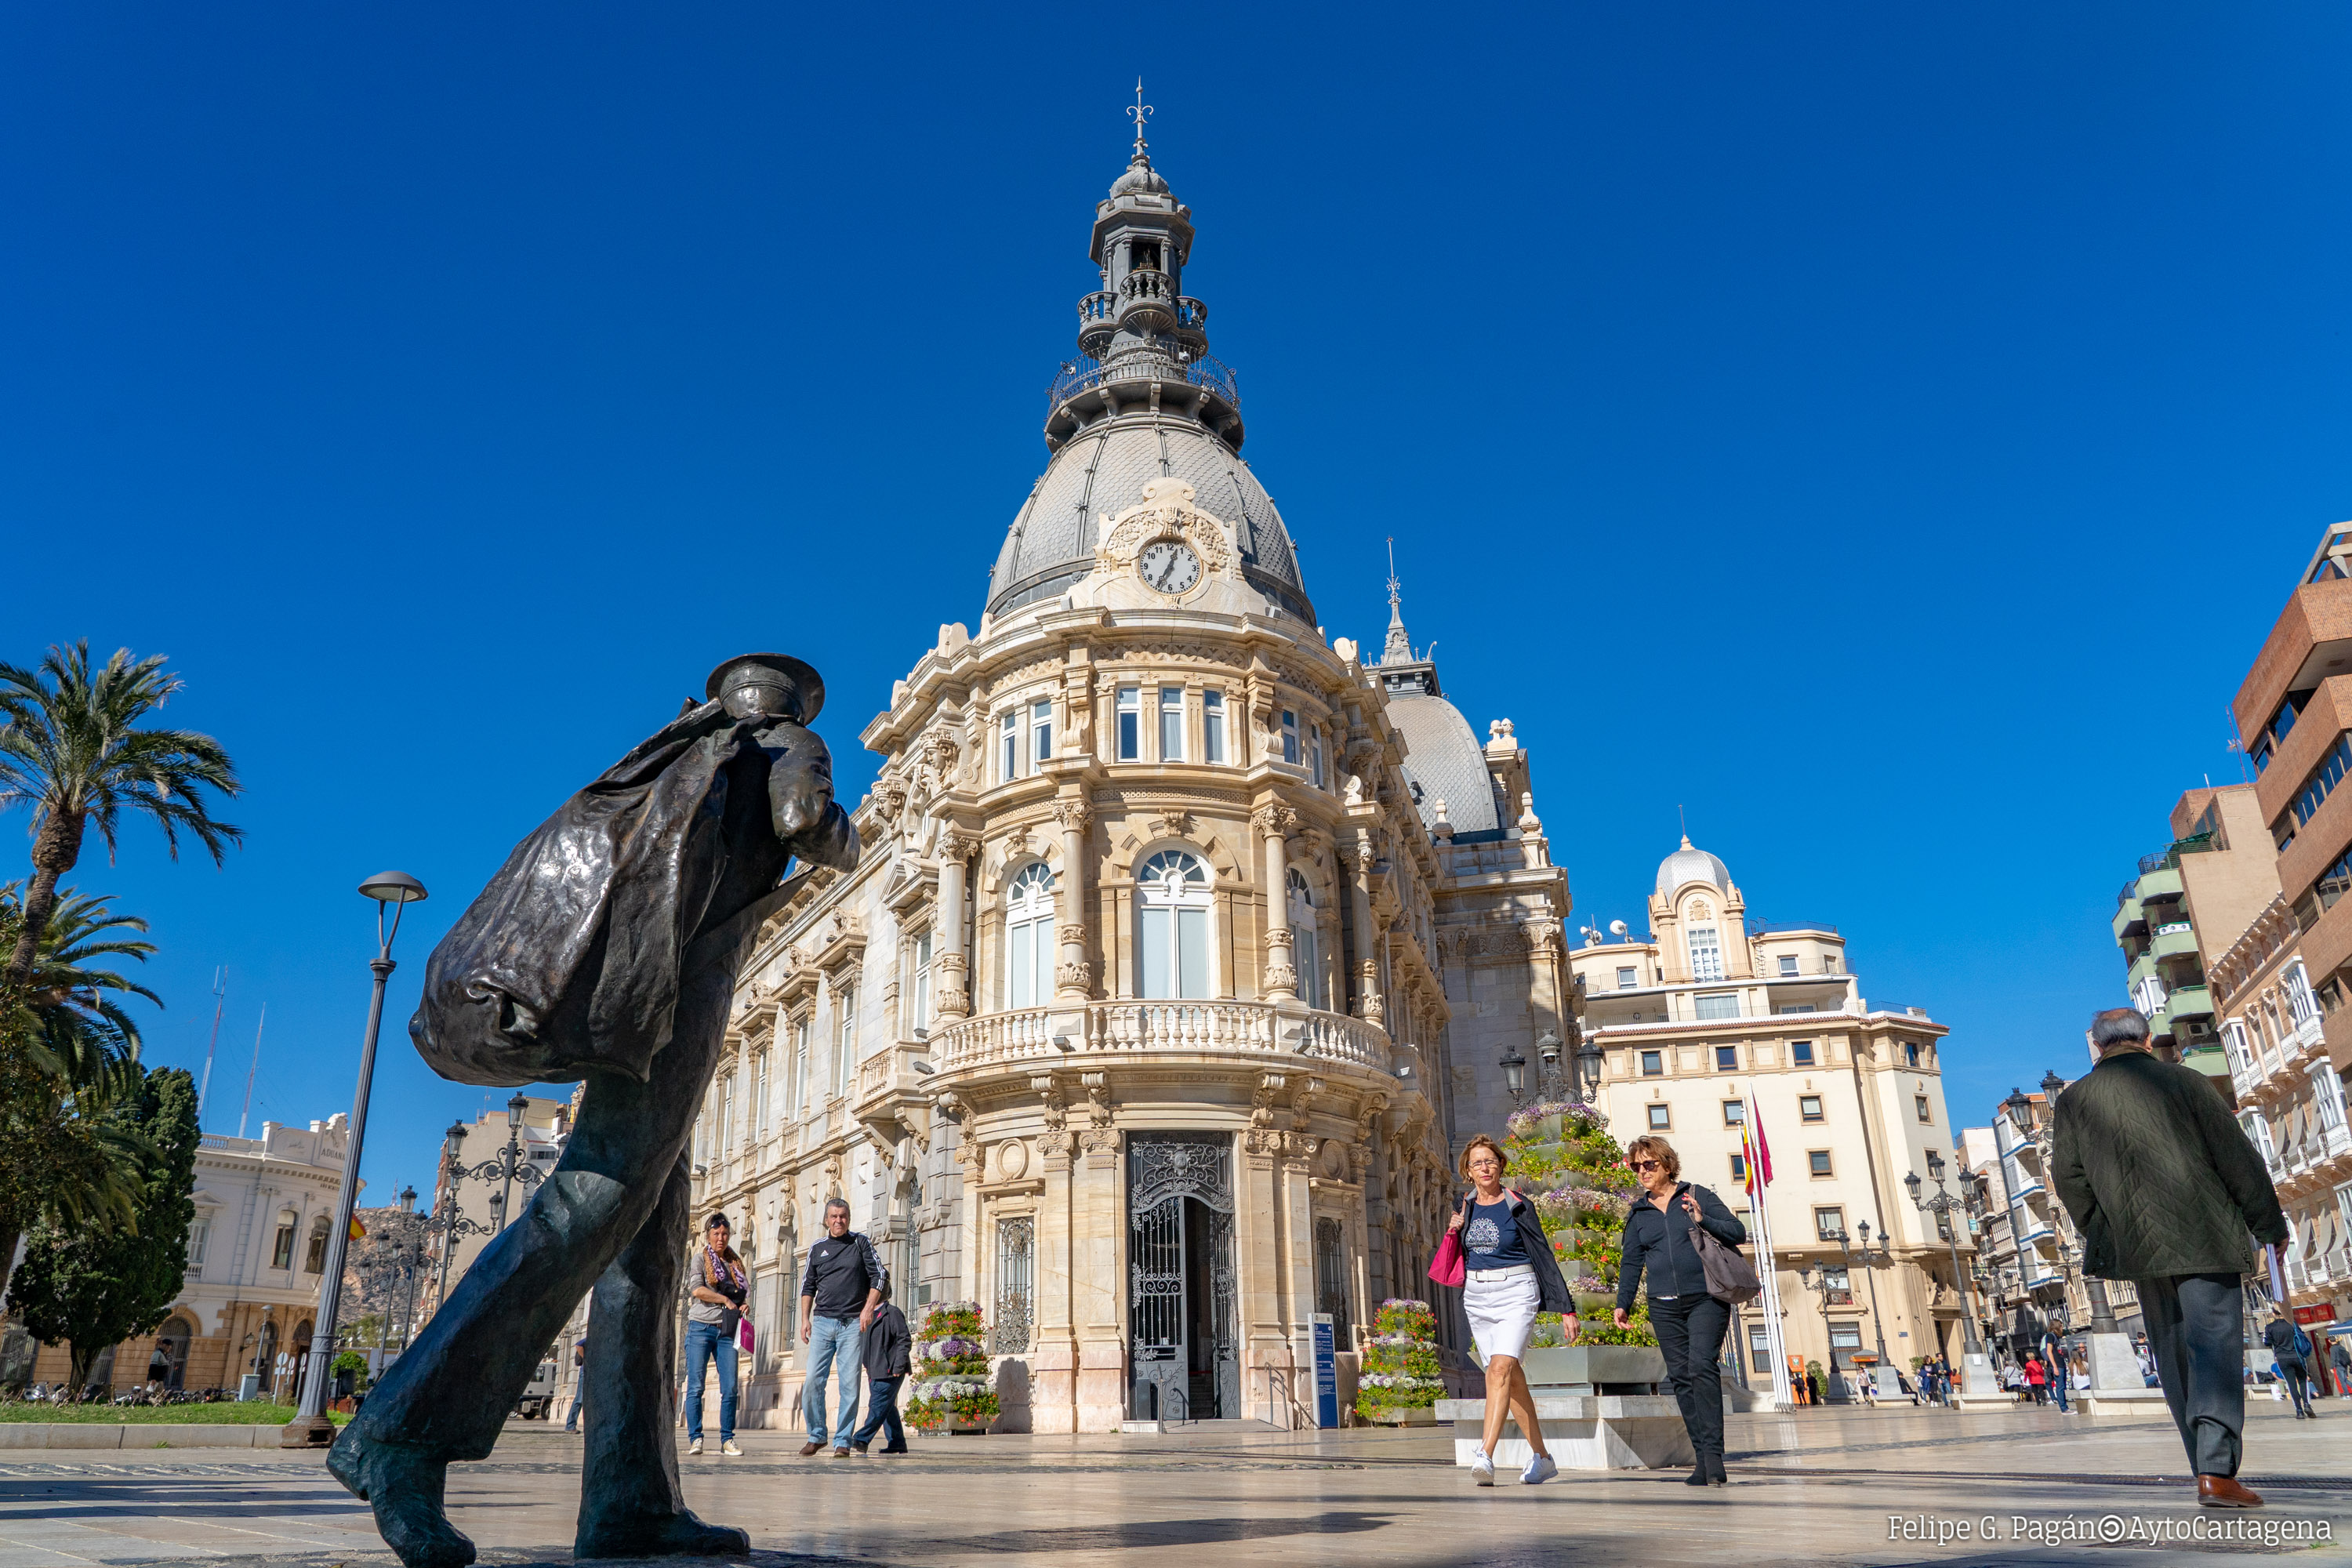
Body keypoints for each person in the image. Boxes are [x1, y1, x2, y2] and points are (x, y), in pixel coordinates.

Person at [326, 654, 858, 1568]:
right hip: (678, 1003)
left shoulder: (670, 758)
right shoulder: (785, 746)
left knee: (646, 1250)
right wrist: (849, 832)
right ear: (795, 702)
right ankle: (397, 1430)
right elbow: (805, 822)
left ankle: (630, 1494)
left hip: (630, 1002)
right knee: (591, 1205)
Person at [2053, 1006, 2288, 1511]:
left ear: (2098, 1046)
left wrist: (2104, 1228)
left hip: (2138, 1247)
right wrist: (2268, 1225)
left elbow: (2070, 1178)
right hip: (2205, 1233)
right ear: (2146, 1039)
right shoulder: (2185, 1081)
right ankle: (2217, 1472)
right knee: (2215, 1351)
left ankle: (2205, 1470)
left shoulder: (2073, 1101)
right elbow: (2236, 1155)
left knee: (2173, 1355)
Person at [1614, 1134, 1746, 1486]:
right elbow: (1631, 1262)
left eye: (1649, 1164)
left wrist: (1704, 1220)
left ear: (1667, 1164)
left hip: (1706, 1297)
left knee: (1701, 1366)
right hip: (1663, 1306)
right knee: (1682, 1379)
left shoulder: (1696, 1195)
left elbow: (1738, 1231)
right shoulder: (1639, 1212)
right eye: (1636, 1165)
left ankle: (1715, 1457)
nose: (1642, 1171)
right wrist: (1622, 1304)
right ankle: (1702, 1459)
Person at [1447, 1133, 1576, 1486]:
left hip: (1517, 1290)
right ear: (1468, 1172)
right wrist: (1454, 1231)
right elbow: (1463, 1254)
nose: (1484, 1167)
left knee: (1499, 1370)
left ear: (1501, 1165)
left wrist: (1566, 1307)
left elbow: (1542, 1254)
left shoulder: (1518, 1204)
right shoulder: (1467, 1206)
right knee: (1510, 1378)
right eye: (1477, 1163)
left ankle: (1485, 1454)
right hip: (1477, 1295)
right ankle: (1543, 1458)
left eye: (1490, 1160)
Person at [799, 1197, 885, 1457]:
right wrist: (805, 1319)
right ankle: (816, 1435)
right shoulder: (817, 1248)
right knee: (813, 1379)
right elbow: (807, 1286)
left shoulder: (860, 1243)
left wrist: (868, 1308)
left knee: (850, 1383)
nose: (839, 1221)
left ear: (849, 1218)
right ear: (826, 1220)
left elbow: (879, 1275)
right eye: (834, 1217)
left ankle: (843, 1441)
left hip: (852, 1325)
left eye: (843, 1216)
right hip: (823, 1323)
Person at [684, 1214, 748, 1457]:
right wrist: (723, 1299)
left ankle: (727, 1439)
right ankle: (696, 1438)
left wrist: (741, 1305)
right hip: (701, 1327)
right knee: (696, 1387)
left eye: (724, 1234)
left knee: (730, 1387)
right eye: (716, 1234)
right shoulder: (700, 1260)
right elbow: (697, 1290)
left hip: (727, 1331)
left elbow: (740, 1294)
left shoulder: (735, 1264)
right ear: (708, 1236)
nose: (720, 1238)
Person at [851, 1281, 911, 1455]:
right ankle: (897, 1442)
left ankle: (861, 1439)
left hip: (890, 1371)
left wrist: (898, 1366)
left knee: (877, 1407)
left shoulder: (892, 1313)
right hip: (874, 1371)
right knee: (887, 1408)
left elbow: (904, 1340)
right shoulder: (868, 1314)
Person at [2263, 1313, 2315, 1419]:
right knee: (2302, 1381)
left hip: (2282, 1358)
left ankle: (2299, 1411)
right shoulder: (2293, 1324)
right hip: (2298, 1356)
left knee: (2291, 1384)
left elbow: (2267, 1342)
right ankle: (2307, 1405)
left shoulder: (2270, 1327)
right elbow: (2301, 1336)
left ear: (2273, 1313)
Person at [563, 1338, 586, 1432]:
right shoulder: (596, 1335)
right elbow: (578, 1345)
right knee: (580, 1399)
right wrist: (586, 1359)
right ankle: (570, 1425)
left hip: (596, 1372)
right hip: (586, 1371)